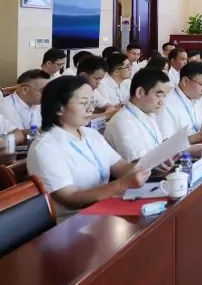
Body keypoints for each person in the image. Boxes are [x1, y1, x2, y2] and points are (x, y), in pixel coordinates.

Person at [27, 76, 151, 215]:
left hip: (105, 209)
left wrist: (152, 162)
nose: (90, 108)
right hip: (73, 220)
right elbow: (69, 198)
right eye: (83, 102)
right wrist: (120, 185)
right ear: (59, 108)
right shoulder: (46, 147)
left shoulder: (91, 134)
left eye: (92, 102)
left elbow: (121, 167)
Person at [104, 69, 173, 161]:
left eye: (164, 96)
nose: (162, 102)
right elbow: (137, 162)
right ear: (139, 92)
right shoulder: (122, 121)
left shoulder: (149, 114)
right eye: (158, 95)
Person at [159, 62, 202, 144]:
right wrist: (200, 135)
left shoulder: (195, 98)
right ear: (185, 81)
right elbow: (167, 144)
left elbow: (195, 127)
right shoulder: (167, 105)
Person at [78, 55, 122, 120]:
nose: (98, 82)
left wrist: (104, 114)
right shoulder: (74, 92)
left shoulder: (94, 91)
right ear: (83, 75)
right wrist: (106, 115)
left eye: (100, 79)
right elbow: (81, 118)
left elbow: (110, 107)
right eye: (96, 78)